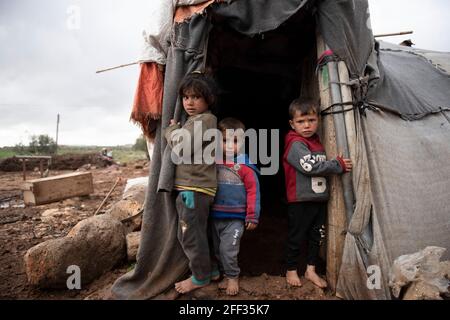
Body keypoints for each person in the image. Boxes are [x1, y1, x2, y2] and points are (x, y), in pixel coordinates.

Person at [283, 98, 352, 289]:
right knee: (297, 235)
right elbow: (309, 166)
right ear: (292, 124)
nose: (306, 125)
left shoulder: (316, 142)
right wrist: (336, 165)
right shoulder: (295, 143)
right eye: (301, 121)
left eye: (311, 120)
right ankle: (291, 269)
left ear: (318, 120)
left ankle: (310, 269)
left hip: (318, 199)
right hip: (300, 199)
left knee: (317, 236)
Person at [164, 72, 218, 294]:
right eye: (186, 97)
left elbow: (182, 147)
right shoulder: (197, 121)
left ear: (208, 99)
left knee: (190, 236)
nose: (190, 102)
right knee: (195, 233)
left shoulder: (205, 120)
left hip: (194, 189)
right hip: (194, 188)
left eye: (196, 97)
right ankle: (211, 269)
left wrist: (171, 130)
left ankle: (200, 277)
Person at [210, 118, 261, 296]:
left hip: (235, 218)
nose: (230, 145)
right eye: (225, 140)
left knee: (228, 249)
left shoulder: (245, 167)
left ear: (243, 141)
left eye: (235, 141)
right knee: (217, 249)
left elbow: (254, 192)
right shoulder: (213, 163)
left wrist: (252, 216)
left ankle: (233, 276)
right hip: (215, 216)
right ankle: (224, 273)